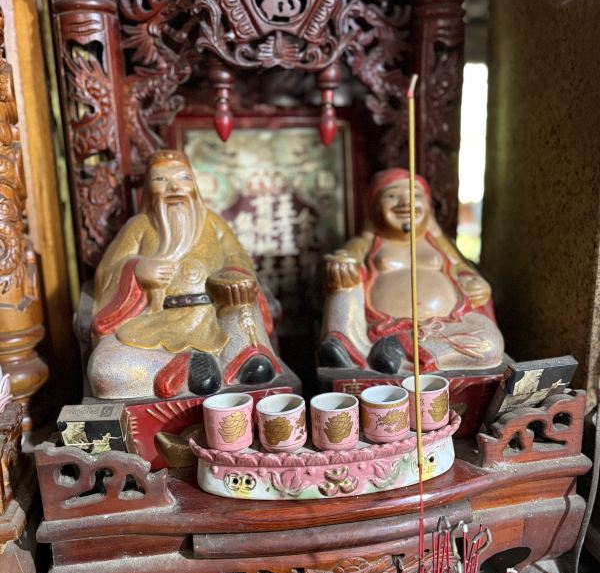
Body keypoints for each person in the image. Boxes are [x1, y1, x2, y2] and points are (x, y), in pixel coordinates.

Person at [88, 150, 280, 399]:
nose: (174, 187)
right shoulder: (139, 226)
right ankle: (186, 369)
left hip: (213, 316)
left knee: (243, 303)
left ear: (194, 184)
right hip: (154, 324)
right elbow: (107, 272)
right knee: (103, 369)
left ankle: (242, 359)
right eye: (160, 179)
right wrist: (135, 270)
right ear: (148, 188)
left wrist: (232, 276)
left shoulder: (212, 222)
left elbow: (238, 258)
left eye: (183, 177)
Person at [319, 168, 504, 374]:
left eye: (415, 195)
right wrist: (343, 264)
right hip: (380, 324)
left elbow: (461, 268)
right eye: (392, 195)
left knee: (490, 347)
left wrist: (474, 282)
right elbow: (347, 256)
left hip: (446, 324)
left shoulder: (437, 242)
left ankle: (399, 347)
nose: (406, 203)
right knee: (344, 275)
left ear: (428, 207)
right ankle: (346, 344)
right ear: (373, 206)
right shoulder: (367, 242)